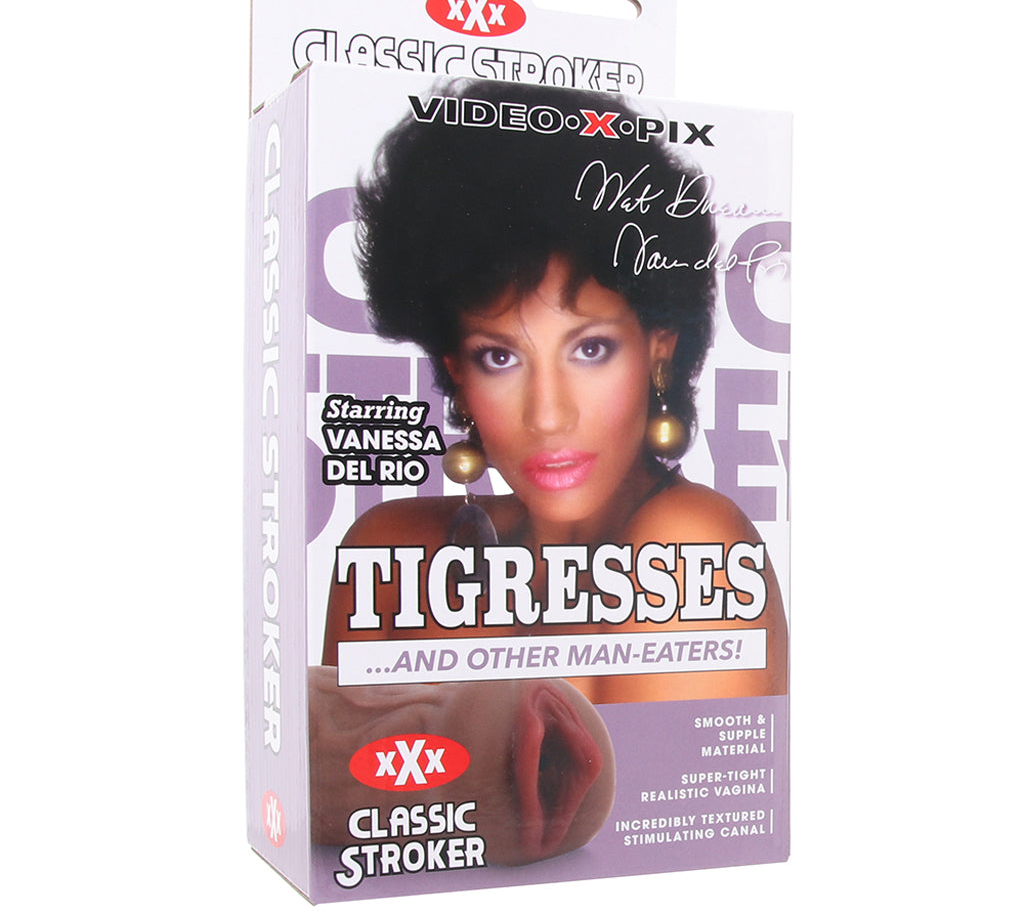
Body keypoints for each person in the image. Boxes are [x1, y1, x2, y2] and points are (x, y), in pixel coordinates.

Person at [310, 78, 787, 861]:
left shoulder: (693, 545)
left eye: (589, 348)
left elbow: (649, 855)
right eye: (500, 356)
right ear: (456, 372)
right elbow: (343, 828)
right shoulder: (389, 552)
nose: (548, 415)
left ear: (659, 347)